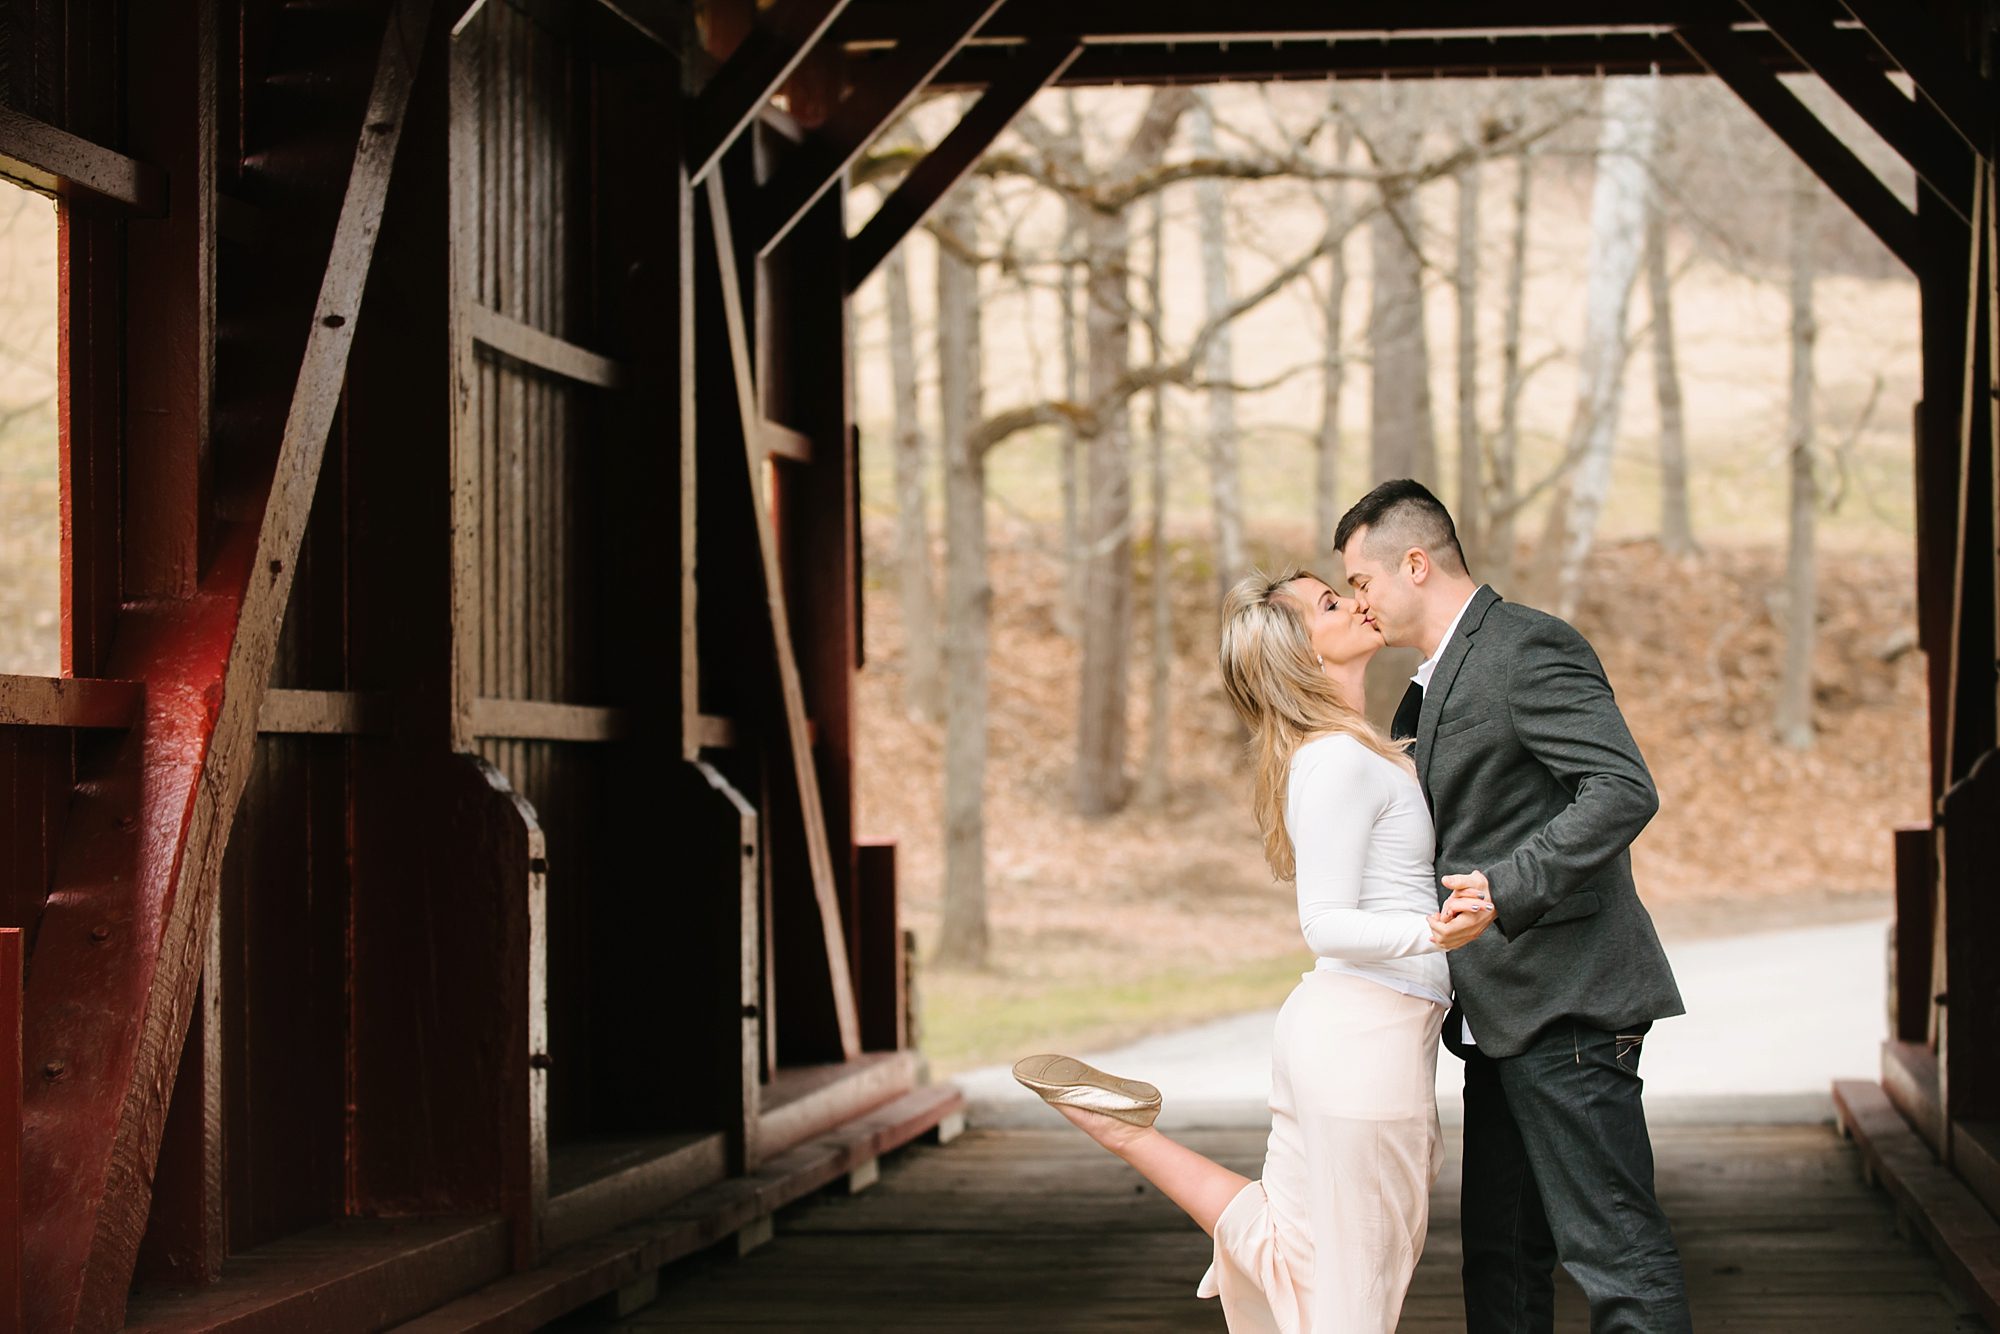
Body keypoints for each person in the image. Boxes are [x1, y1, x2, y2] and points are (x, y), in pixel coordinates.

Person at [1013, 566, 1489, 1332]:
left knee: (1292, 1241)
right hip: (1366, 1040)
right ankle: (1121, 1130)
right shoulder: (1336, 760)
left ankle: (1120, 1128)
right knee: (1353, 1299)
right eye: (1332, 603)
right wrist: (1434, 931)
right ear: (1301, 651)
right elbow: (1326, 921)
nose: (1357, 602)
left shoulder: (1347, 751)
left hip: (1347, 1036)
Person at [1334, 478, 1691, 1334]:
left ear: (1414, 563)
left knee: (1615, 1255)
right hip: (1499, 1017)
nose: (1360, 602)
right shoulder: (1427, 683)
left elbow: (1620, 788)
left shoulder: (1526, 648)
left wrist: (1508, 884)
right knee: (1501, 1262)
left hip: (1569, 1002)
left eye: (1361, 583)